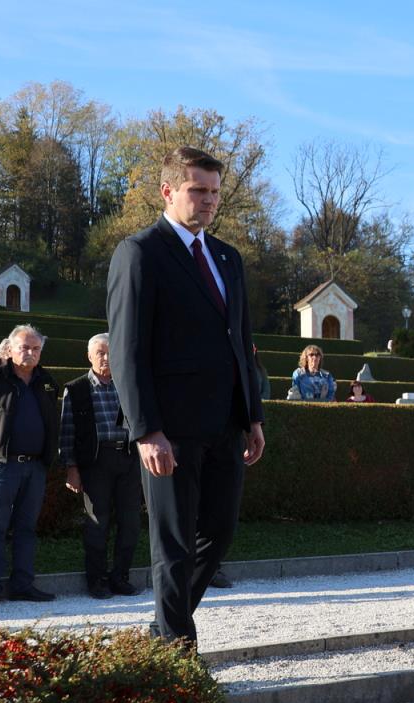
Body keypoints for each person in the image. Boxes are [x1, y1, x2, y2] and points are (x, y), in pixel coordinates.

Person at [107, 145, 265, 643]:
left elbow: (241, 343)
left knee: (218, 534)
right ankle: (178, 655)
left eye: (215, 191)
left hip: (225, 424)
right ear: (168, 190)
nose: (209, 200)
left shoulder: (228, 257)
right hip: (169, 429)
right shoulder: (140, 252)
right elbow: (127, 350)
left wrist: (253, 416)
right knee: (173, 545)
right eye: (198, 190)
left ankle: (161, 631)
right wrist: (146, 430)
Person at [59, 333, 142, 599]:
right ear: (89, 356)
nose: (106, 358)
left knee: (130, 522)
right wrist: (72, 468)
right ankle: (97, 580)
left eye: (111, 352)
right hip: (96, 462)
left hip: (129, 458)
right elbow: (67, 433)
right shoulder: (76, 389)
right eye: (100, 353)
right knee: (97, 522)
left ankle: (120, 577)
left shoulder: (128, 384)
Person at [0, 325, 60, 604]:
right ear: (10, 349)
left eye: (36, 348)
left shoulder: (47, 382)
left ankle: (22, 584)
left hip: (35, 468)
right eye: (24, 347)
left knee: (26, 528)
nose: (30, 353)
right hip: (1, 467)